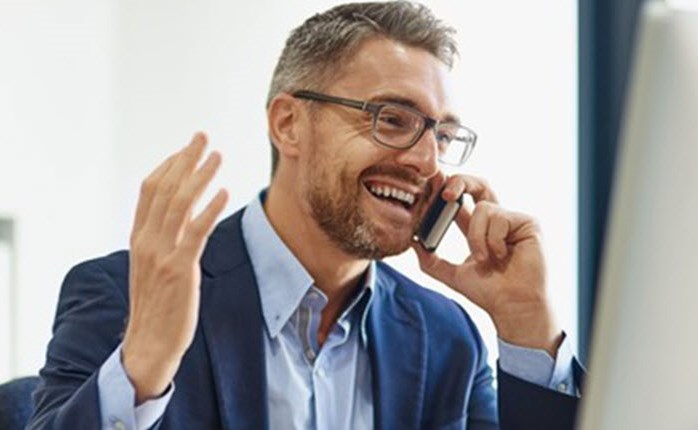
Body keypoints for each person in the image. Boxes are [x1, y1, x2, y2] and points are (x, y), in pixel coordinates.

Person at [28, 2, 583, 429]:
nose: (426, 161)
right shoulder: (124, 296)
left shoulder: (446, 338)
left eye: (442, 134)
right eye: (391, 119)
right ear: (288, 124)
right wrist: (141, 369)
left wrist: (527, 324)